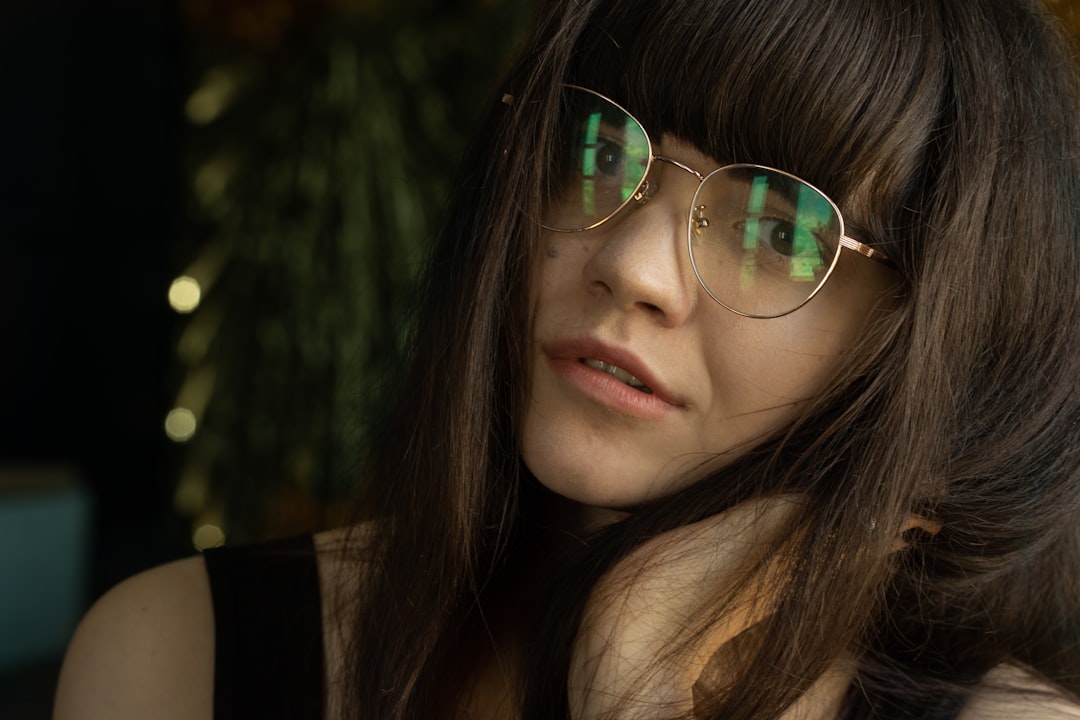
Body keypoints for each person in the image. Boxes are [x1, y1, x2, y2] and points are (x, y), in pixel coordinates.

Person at [53, 0, 1080, 718]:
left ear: (931, 330)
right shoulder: (177, 655)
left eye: (779, 230)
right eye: (602, 147)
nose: (635, 264)